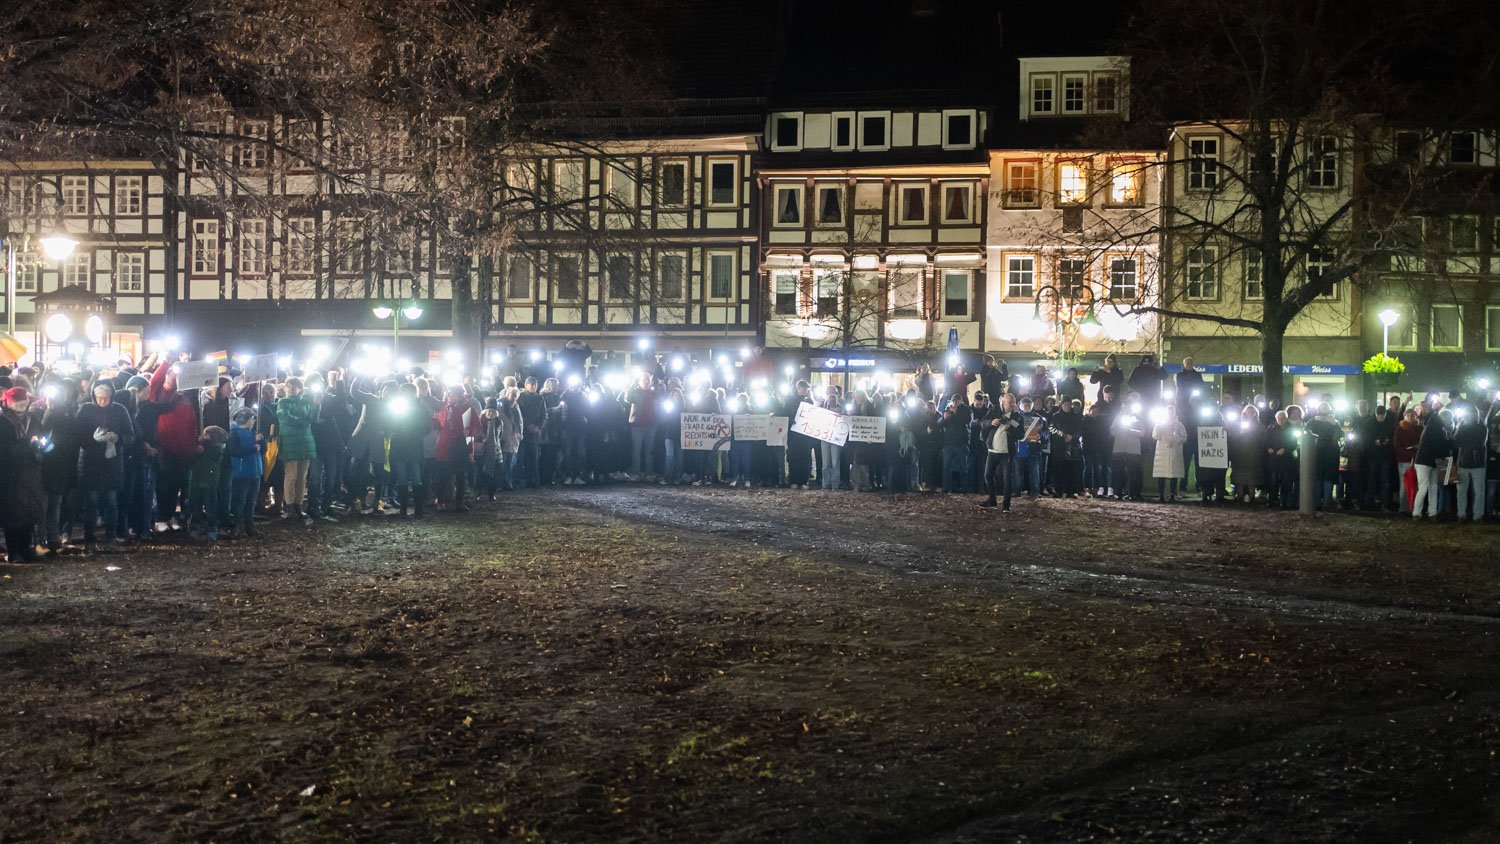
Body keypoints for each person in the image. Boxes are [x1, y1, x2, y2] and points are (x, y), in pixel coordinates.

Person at [75, 382, 134, 552]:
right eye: (99, 398)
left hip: (112, 465)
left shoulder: (120, 410)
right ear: (94, 396)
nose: (102, 402)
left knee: (111, 503)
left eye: (106, 399)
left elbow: (131, 435)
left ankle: (110, 539)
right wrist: (92, 440)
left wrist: (118, 438)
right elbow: (77, 435)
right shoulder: (85, 410)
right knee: (91, 504)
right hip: (90, 464)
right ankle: (90, 540)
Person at [0, 387, 45, 562]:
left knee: (29, 513)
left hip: (31, 472)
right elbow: (4, 449)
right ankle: (14, 551)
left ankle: (25, 548)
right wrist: (26, 446)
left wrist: (39, 448)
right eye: (17, 403)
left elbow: (42, 439)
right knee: (13, 514)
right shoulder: (3, 422)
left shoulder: (32, 419)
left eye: (23, 402)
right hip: (11, 474)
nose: (21, 406)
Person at [434, 384, 482, 511]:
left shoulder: (467, 409)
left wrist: (470, 431)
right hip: (447, 446)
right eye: (448, 394)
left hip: (460, 446)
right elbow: (437, 423)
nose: (448, 396)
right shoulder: (446, 409)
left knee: (460, 476)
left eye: (451, 394)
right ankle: (441, 502)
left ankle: (458, 503)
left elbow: (478, 428)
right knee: (443, 476)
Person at [275, 376, 317, 523]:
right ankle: (290, 507)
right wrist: (304, 422)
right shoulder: (283, 402)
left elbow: (313, 418)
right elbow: (286, 419)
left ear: (300, 388)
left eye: (294, 386)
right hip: (289, 442)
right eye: (289, 386)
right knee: (291, 475)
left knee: (302, 477)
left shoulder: (306, 403)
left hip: (305, 442)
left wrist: (316, 406)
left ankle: (298, 506)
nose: (291, 388)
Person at [979, 393, 1021, 511]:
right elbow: (983, 423)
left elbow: (1021, 434)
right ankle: (992, 499)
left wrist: (1010, 427)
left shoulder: (1017, 417)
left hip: (1007, 452)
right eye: (1010, 402)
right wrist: (990, 422)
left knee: (1007, 478)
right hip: (992, 450)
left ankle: (1006, 505)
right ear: (1003, 403)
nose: (1012, 404)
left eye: (1013, 402)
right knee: (988, 475)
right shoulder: (994, 411)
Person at [226, 407, 263, 537]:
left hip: (254, 472)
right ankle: (238, 526)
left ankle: (249, 525)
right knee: (240, 501)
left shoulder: (251, 433)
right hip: (242, 473)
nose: (253, 421)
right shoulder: (234, 434)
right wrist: (253, 448)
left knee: (251, 501)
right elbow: (233, 451)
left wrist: (259, 443)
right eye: (251, 418)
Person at [186, 426, 228, 540]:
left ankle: (212, 530)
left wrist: (205, 446)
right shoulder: (199, 448)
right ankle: (195, 528)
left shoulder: (216, 449)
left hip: (209, 482)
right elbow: (190, 461)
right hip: (197, 481)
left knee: (211, 509)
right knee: (196, 508)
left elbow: (216, 455)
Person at [1412, 408, 1454, 519]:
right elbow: (1440, 445)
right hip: (1429, 461)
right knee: (1430, 487)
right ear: (1446, 419)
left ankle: (1418, 512)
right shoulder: (1438, 428)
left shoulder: (1431, 425)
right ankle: (1430, 513)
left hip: (1424, 460)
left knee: (1424, 487)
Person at [1453, 405, 1486, 522]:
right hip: (1474, 462)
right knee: (1475, 490)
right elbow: (1458, 442)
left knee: (1467, 490)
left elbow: (1459, 442)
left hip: (1469, 462)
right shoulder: (1481, 428)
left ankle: (1464, 514)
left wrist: (1462, 435)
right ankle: (1473, 515)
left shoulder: (1475, 428)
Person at [1227, 405, 1264, 504]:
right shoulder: (1238, 425)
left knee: (1252, 478)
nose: (1250, 414)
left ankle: (1252, 496)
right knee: (1240, 478)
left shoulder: (1259, 427)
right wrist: (1241, 433)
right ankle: (1240, 495)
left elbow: (1262, 441)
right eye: (1248, 412)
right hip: (1240, 456)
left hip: (1253, 456)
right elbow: (1233, 439)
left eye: (1252, 412)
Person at [781, 380, 814, 489]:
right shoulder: (790, 401)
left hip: (805, 434)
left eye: (806, 389)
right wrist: (791, 421)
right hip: (794, 433)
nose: (804, 390)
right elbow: (785, 414)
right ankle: (793, 480)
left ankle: (804, 481)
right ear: (798, 388)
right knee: (793, 457)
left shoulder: (809, 401)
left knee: (805, 457)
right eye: (803, 388)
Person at [1049, 399, 1085, 498]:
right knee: (1059, 470)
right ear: (1061, 405)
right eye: (1065, 404)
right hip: (1059, 447)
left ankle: (1071, 491)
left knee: (1072, 470)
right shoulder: (1056, 416)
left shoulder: (1076, 417)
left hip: (1073, 447)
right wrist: (1062, 435)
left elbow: (1081, 430)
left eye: (1069, 404)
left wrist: (1072, 437)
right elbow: (1051, 428)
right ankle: (1059, 490)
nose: (1067, 406)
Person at [626, 373, 657, 481]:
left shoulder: (653, 392)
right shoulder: (635, 392)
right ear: (640, 381)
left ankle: (649, 473)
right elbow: (627, 398)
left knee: (649, 451)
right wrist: (631, 385)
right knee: (637, 450)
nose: (646, 382)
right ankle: (636, 473)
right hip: (637, 425)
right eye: (644, 380)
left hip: (651, 426)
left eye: (648, 380)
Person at [1152, 406, 1187, 502]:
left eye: (1172, 412)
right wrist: (1160, 429)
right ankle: (1161, 495)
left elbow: (1184, 437)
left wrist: (1176, 438)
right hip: (1162, 452)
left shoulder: (1179, 425)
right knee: (1161, 474)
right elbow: (1155, 436)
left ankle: (1172, 495)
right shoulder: (1159, 424)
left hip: (1174, 451)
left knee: (1174, 474)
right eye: (1168, 412)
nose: (1170, 414)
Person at [818, 385, 844, 490]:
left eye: (832, 392)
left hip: (836, 437)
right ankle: (825, 484)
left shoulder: (841, 405)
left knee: (835, 462)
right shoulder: (823, 404)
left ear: (836, 393)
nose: (830, 394)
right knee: (825, 463)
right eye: (828, 392)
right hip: (824, 436)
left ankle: (834, 485)